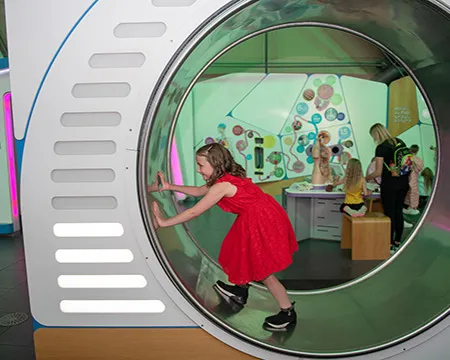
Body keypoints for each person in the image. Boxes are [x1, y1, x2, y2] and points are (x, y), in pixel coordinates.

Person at [151, 143, 298, 331]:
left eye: (201, 165)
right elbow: (198, 191)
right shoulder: (225, 178)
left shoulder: (222, 186)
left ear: (215, 163)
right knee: (239, 251)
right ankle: (240, 289)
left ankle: (287, 312)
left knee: (263, 269)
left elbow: (194, 212)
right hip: (261, 214)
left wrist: (164, 222)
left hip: (261, 220)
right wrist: (169, 186)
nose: (198, 169)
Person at [366, 123, 411, 252]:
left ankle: (389, 244)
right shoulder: (399, 142)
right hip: (403, 183)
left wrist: (364, 179)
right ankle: (397, 242)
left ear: (375, 134)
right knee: (398, 212)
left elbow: (378, 172)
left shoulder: (381, 148)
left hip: (389, 185)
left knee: (389, 214)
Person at [403, 144, 424, 215]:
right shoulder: (419, 160)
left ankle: (406, 207)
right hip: (413, 177)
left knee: (407, 192)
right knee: (413, 192)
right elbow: (420, 168)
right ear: (417, 151)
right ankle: (412, 207)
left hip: (405, 177)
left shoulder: (406, 158)